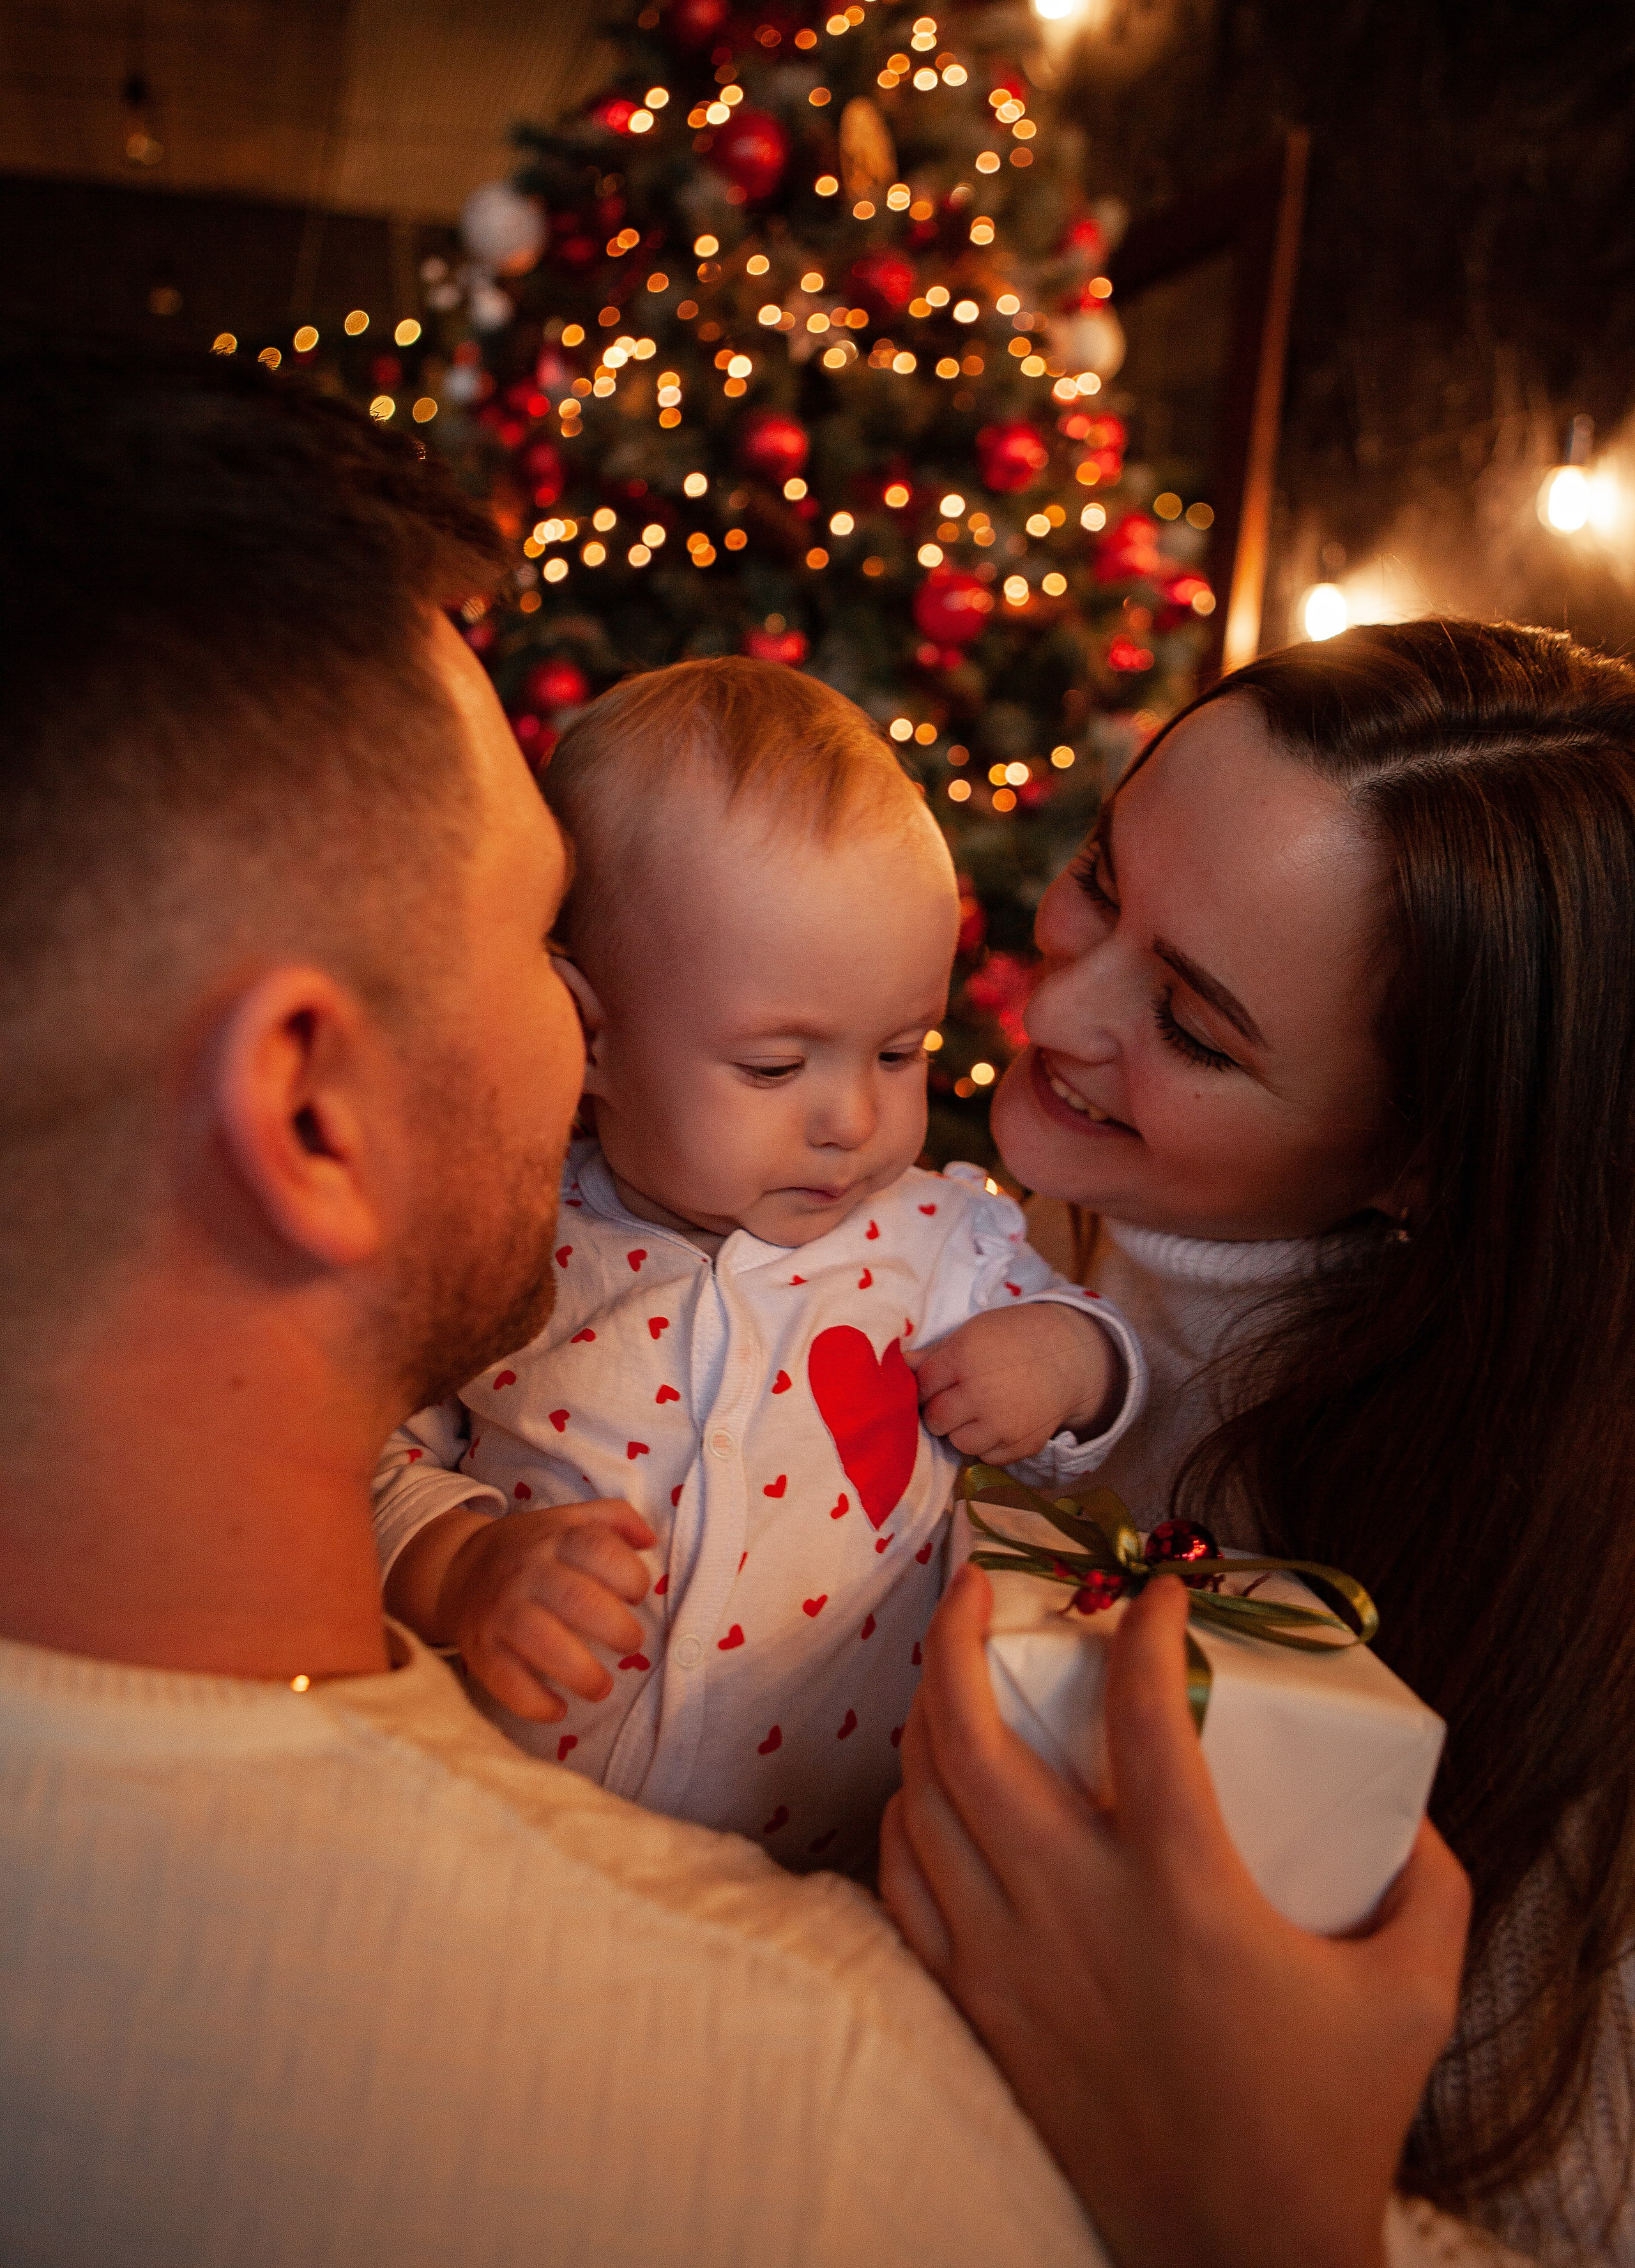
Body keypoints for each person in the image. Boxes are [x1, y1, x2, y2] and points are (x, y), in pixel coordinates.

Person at [0, 343, 1464, 2268]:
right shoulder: (832, 2116)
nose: (586, 1031)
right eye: (545, 942)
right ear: (302, 1111)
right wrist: (1271, 2219)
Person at [882, 619, 1635, 2266]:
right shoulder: (979, 1235)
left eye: (1196, 1025)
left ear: (1425, 1159)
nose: (1050, 997)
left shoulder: (1531, 1601)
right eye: (1097, 879)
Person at [372, 658, 1141, 1875]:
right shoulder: (512, 1231)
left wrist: (1060, 1358)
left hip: (829, 1865)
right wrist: (463, 1565)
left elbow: (1097, 1368)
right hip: (507, 1843)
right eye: (777, 1068)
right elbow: (367, 1461)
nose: (850, 1119)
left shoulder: (934, 1235)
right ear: (590, 1033)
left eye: (899, 1052)